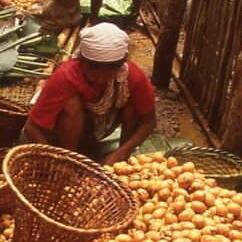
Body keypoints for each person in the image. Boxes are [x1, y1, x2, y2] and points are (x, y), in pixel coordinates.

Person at [21, 23, 156, 164]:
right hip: (60, 132)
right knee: (71, 103)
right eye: (93, 68)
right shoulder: (67, 75)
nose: (100, 77)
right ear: (82, 60)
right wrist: (60, 160)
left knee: (133, 104)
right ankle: (72, 156)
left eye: (108, 70)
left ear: (121, 64)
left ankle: (120, 160)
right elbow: (31, 128)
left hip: (99, 127)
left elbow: (149, 121)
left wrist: (119, 154)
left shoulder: (130, 75)